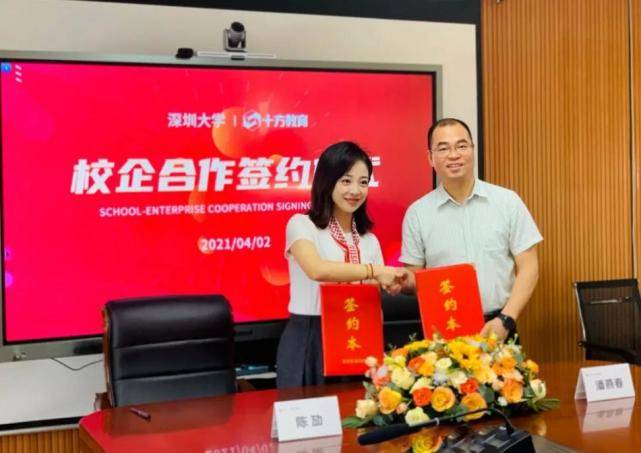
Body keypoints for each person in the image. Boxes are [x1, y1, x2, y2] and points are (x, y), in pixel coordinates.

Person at [398, 118, 542, 341]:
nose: (454, 155)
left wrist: (506, 319)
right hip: (444, 330)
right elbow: (415, 279)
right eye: (443, 148)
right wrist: (394, 279)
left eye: (462, 146)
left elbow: (529, 266)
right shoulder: (417, 213)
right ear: (430, 158)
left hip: (499, 325)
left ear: (473, 150)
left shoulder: (507, 201)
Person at [276, 141, 405, 388]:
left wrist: (391, 283)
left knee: (357, 409)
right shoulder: (302, 224)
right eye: (346, 181)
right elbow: (317, 270)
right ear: (327, 181)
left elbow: (373, 302)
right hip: (311, 338)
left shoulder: (369, 240)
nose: (355, 190)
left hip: (357, 338)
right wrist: (375, 271)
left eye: (363, 182)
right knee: (309, 409)